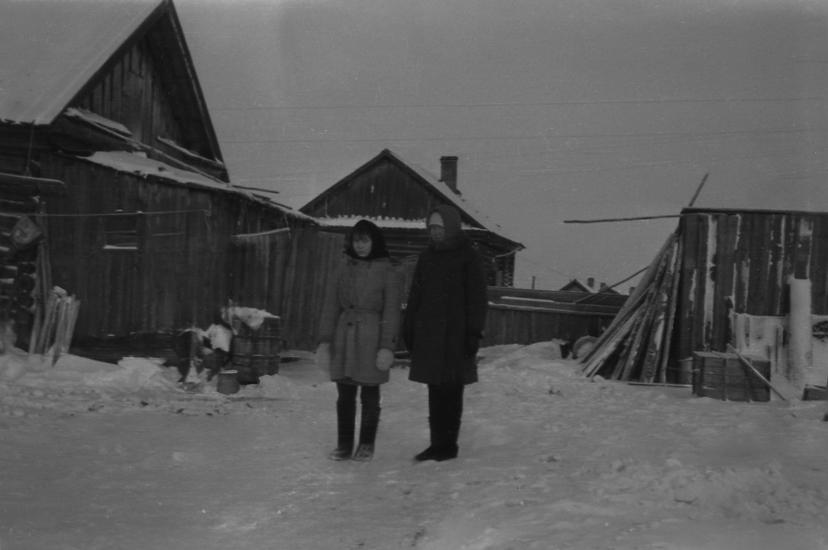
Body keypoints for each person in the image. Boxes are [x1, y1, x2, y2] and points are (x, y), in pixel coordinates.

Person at [403, 204, 488, 462]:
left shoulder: (468, 255)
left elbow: (477, 297)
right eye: (432, 228)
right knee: (435, 391)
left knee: (452, 391)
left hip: (456, 336)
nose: (435, 233)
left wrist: (473, 333)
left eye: (439, 228)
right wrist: (409, 327)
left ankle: (449, 446)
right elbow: (416, 295)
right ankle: (436, 443)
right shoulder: (426, 257)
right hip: (430, 335)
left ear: (450, 227)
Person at [316, 220, 401, 462]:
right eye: (356, 240)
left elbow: (392, 312)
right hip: (344, 336)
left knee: (370, 394)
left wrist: (387, 346)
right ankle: (344, 444)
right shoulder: (342, 268)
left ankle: (366, 444)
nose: (360, 246)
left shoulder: (387, 271)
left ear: (375, 242)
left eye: (365, 240)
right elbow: (330, 306)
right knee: (344, 394)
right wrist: (325, 340)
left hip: (371, 338)